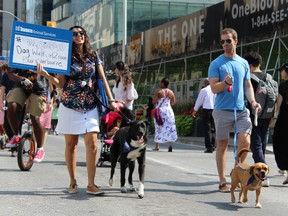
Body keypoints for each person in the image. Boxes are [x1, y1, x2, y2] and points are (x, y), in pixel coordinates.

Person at [34, 26, 118, 195]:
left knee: (93, 144)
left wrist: (112, 100)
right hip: (70, 104)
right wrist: (45, 73)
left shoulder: (94, 56)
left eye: (82, 33)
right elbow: (61, 84)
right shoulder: (64, 57)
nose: (79, 35)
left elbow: (102, 79)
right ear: (69, 38)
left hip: (90, 104)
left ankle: (91, 184)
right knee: (71, 145)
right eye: (75, 34)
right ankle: (72, 182)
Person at [208, 28, 261, 192]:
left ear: (235, 41)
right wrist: (225, 83)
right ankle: (223, 180)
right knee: (222, 145)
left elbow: (247, 85)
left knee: (246, 142)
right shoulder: (216, 63)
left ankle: (235, 171)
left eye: (228, 41)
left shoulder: (243, 63)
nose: (224, 44)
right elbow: (214, 88)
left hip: (241, 109)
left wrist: (252, 101)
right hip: (222, 110)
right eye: (222, 41)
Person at [5, 63, 49, 162]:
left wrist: (52, 95)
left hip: (39, 89)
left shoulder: (47, 53)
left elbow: (55, 76)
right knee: (11, 106)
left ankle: (40, 149)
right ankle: (16, 136)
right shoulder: (21, 52)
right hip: (22, 86)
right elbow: (10, 73)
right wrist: (22, 79)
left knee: (35, 118)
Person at [152, 77, 178, 151]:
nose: (160, 84)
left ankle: (157, 146)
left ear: (163, 83)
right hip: (169, 111)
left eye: (161, 82)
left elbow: (154, 101)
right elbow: (173, 102)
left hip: (160, 111)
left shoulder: (159, 91)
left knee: (158, 127)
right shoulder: (171, 92)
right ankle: (170, 145)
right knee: (170, 127)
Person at [273, 63, 288, 185]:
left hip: (284, 121)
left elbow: (278, 106)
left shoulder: (282, 87)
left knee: (281, 145)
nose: (280, 73)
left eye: (281, 70)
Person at [192, 78, 216, 153]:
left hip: (207, 110)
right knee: (214, 128)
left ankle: (209, 147)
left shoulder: (204, 90)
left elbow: (199, 101)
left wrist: (195, 110)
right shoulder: (216, 89)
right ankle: (213, 145)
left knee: (207, 129)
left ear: (205, 84)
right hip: (215, 110)